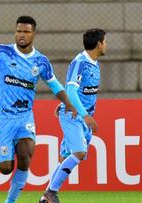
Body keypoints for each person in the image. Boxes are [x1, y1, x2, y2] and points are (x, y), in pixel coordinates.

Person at [0, 9, 77, 203]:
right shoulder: (3, 52)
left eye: (26, 32)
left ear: (33, 34)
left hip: (24, 116)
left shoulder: (41, 61)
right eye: (18, 31)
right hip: (2, 115)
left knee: (26, 155)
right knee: (5, 168)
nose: (21, 35)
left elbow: (54, 85)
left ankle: (10, 201)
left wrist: (68, 103)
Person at [39, 28, 106, 203]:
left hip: (77, 114)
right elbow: (70, 89)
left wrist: (64, 102)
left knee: (65, 157)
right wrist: (85, 115)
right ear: (99, 44)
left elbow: (80, 92)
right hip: (75, 116)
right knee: (79, 153)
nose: (106, 45)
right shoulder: (80, 62)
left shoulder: (94, 63)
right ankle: (51, 192)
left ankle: (46, 198)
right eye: (105, 41)